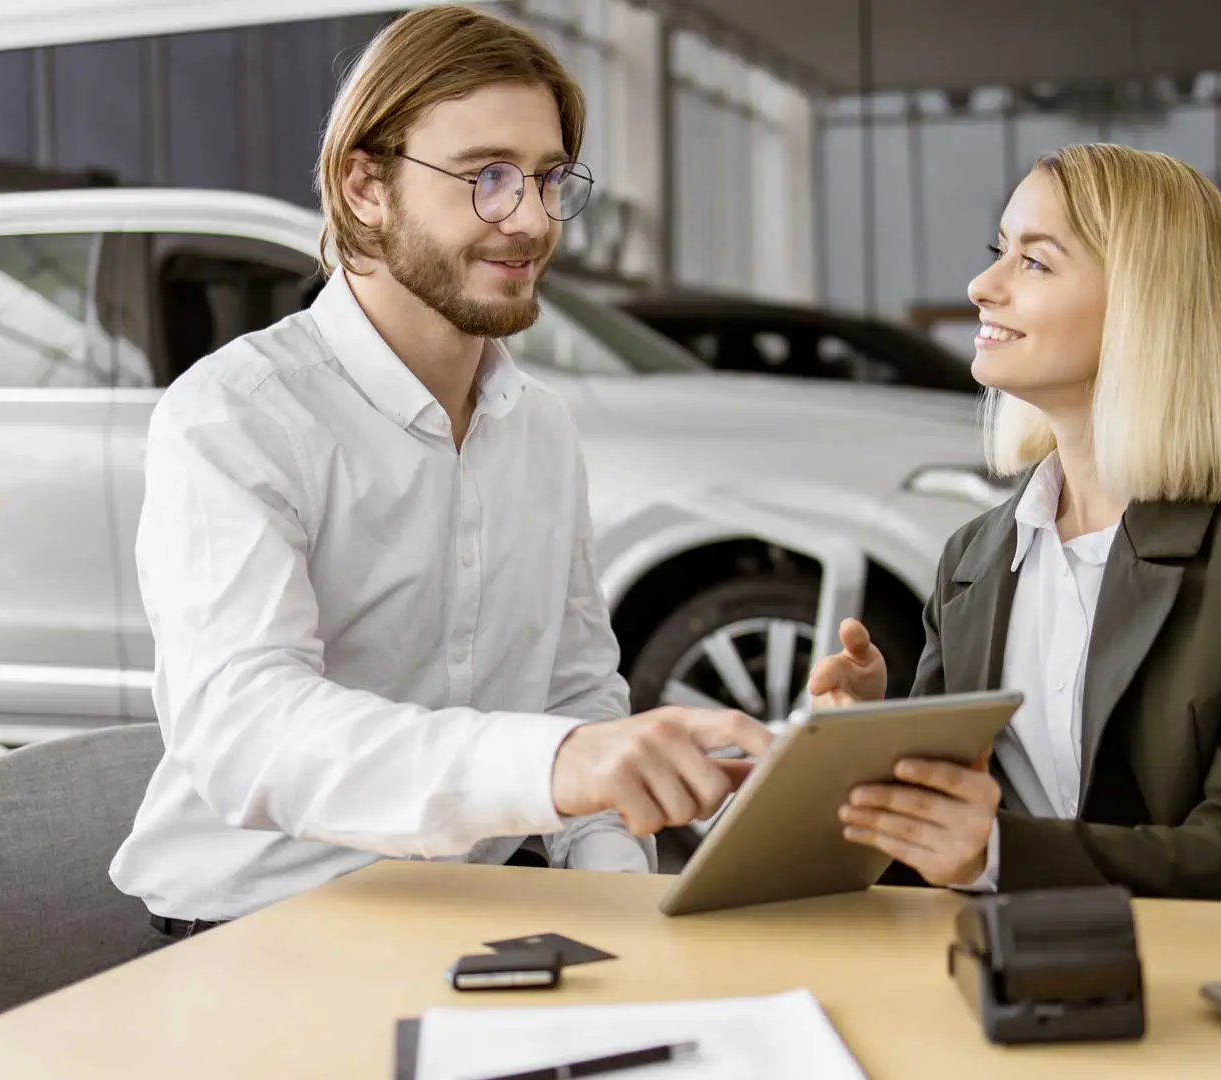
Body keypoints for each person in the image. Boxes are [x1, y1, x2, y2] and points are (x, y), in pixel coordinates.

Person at [110, 5, 771, 944]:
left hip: (488, 912)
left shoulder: (538, 426)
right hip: (261, 929)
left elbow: (576, 695)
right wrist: (558, 764)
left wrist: (621, 904)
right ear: (366, 186)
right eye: (486, 178)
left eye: (548, 180)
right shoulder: (236, 414)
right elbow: (248, 730)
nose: (532, 220)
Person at [807, 143, 1221, 908]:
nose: (980, 286)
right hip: (1052, 967)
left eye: (1034, 262)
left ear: (1146, 304)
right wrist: (871, 749)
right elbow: (946, 851)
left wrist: (996, 851)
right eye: (999, 252)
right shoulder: (973, 559)